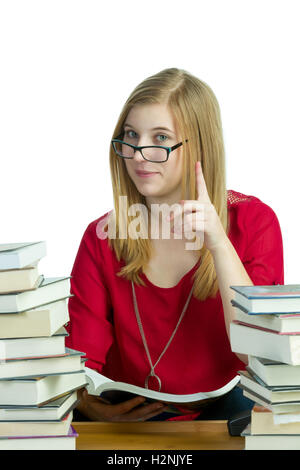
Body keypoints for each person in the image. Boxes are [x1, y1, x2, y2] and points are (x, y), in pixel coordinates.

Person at [65, 68, 284, 422]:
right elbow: (81, 360)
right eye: (131, 135)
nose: (138, 154)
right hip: (135, 416)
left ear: (198, 146)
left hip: (230, 413)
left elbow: (258, 353)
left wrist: (218, 243)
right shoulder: (102, 235)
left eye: (161, 138)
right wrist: (88, 405)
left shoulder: (253, 222)